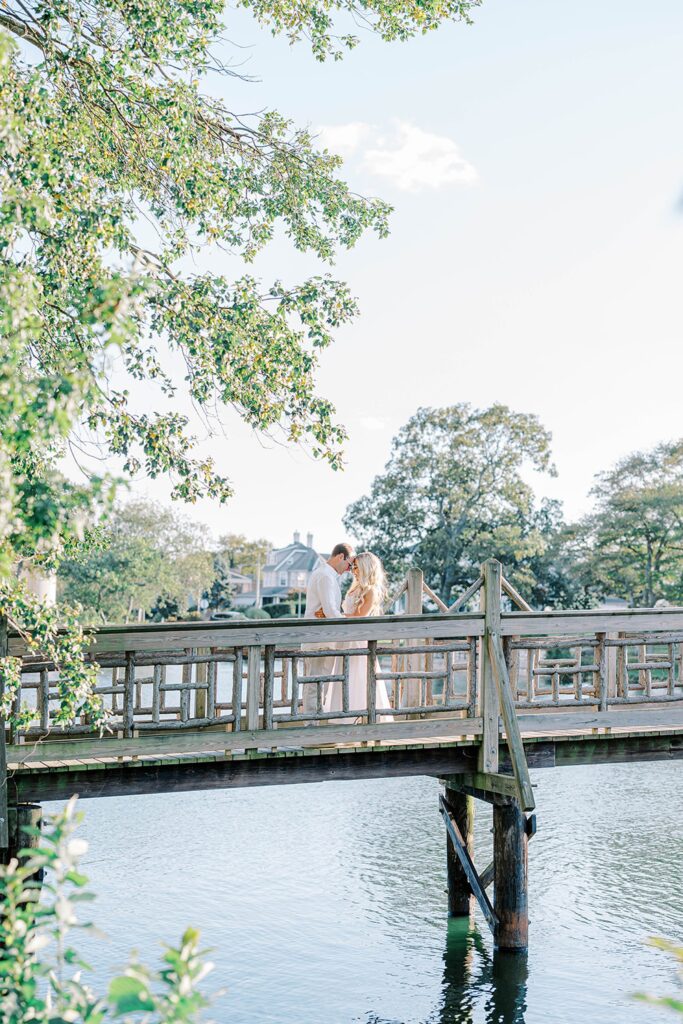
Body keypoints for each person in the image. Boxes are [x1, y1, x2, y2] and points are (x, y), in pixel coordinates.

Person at [323, 551, 392, 722]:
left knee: (358, 677)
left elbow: (359, 616)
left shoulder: (370, 591)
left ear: (366, 568)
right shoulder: (355, 588)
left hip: (358, 640)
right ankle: (343, 717)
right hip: (346, 638)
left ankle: (361, 718)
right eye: (353, 566)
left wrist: (333, 615)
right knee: (343, 675)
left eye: (356, 567)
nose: (353, 570)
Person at [301, 542, 355, 717]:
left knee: (318, 685)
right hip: (319, 639)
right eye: (349, 564)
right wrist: (348, 622)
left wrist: (329, 612)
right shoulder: (325, 576)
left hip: (322, 638)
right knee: (315, 685)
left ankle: (315, 722)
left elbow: (329, 610)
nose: (349, 569)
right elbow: (331, 611)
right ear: (340, 557)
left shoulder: (326, 574)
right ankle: (312, 725)